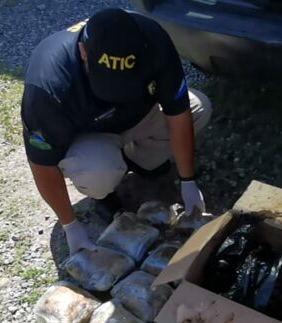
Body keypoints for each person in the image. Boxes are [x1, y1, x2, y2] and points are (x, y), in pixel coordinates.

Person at [20, 8, 212, 254]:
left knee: (199, 108)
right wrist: (70, 225)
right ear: (83, 52)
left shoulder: (154, 40)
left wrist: (188, 180)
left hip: (136, 117)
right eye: (107, 81)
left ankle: (139, 161)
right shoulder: (48, 86)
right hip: (90, 137)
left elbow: (178, 112)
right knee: (98, 173)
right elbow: (42, 164)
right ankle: (105, 188)